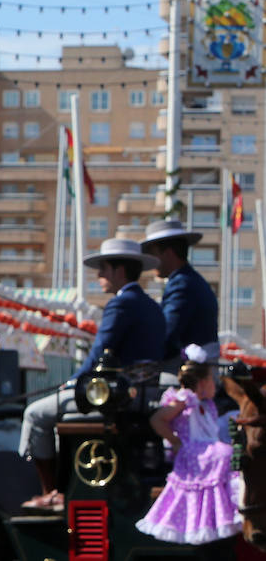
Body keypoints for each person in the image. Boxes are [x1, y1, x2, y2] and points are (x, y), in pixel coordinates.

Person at [19, 238, 166, 512]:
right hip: (145, 395)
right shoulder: (153, 307)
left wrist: (70, 384)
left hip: (115, 399)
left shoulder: (121, 304)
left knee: (35, 414)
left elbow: (99, 355)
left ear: (119, 271)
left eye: (104, 269)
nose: (99, 276)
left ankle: (52, 492)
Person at [136, 344, 241, 543]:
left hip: (206, 449)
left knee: (229, 452)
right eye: (212, 380)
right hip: (192, 451)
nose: (215, 385)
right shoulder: (185, 399)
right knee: (225, 454)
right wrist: (175, 442)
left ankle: (228, 510)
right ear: (201, 383)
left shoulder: (207, 405)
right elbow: (157, 419)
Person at [143, 218, 219, 362]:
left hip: (187, 374)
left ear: (168, 253)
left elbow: (168, 333)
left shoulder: (181, 284)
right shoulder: (189, 279)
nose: (152, 261)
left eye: (153, 253)